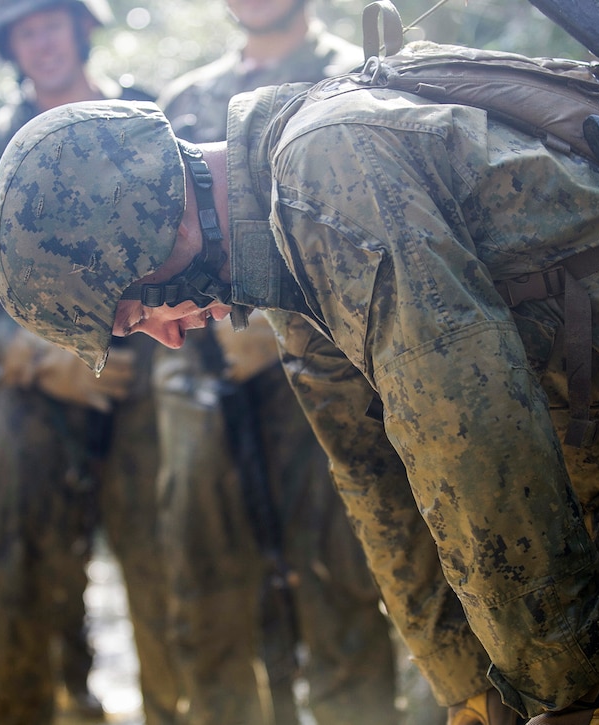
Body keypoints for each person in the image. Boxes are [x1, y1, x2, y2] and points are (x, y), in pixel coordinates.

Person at [0, 26, 599, 723]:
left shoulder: (327, 169)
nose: (166, 337)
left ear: (134, 230)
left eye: (137, 310)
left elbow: (472, 438)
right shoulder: (278, 241)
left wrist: (562, 689)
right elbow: (371, 473)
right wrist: (468, 688)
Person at [0, 0, 180, 722]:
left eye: (51, 23)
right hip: (33, 392)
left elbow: (199, 234)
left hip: (148, 376)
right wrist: (30, 355)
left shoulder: (145, 125)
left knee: (176, 565)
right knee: (14, 568)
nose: (41, 42)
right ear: (10, 44)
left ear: (81, 25)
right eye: (24, 30)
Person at [153, 1, 412, 724]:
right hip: (209, 393)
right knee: (211, 596)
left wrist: (272, 329)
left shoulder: (352, 75)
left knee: (344, 583)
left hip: (328, 382)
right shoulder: (184, 103)